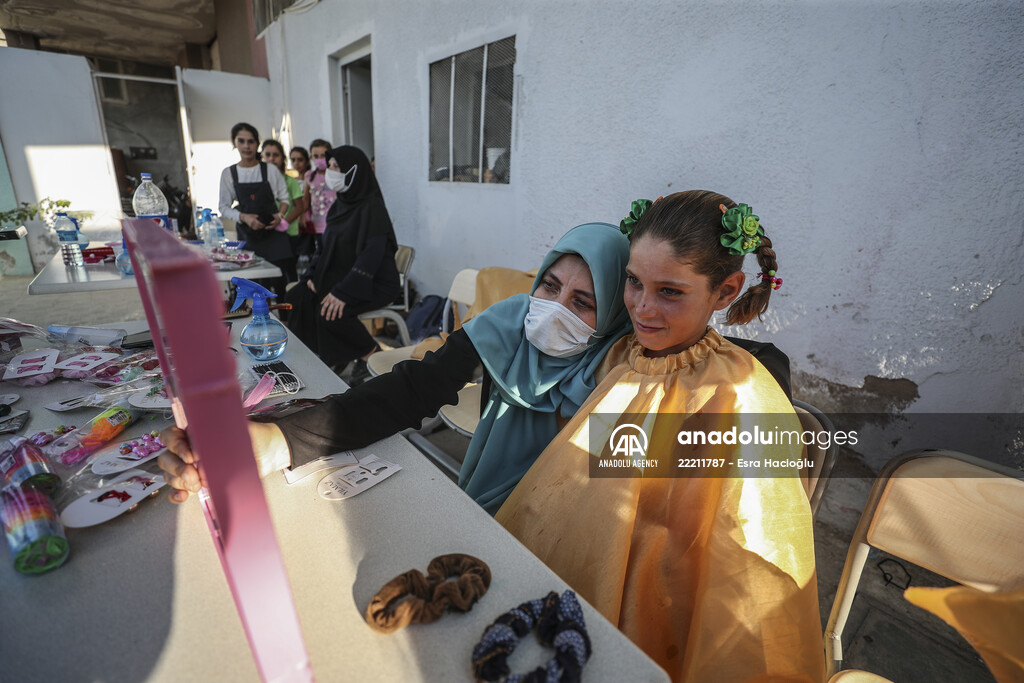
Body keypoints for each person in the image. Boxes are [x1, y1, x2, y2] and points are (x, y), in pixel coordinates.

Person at [495, 191, 823, 682]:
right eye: (633, 282)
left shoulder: (743, 396)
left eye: (669, 292)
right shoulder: (619, 355)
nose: (642, 309)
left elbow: (748, 558)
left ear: (727, 291)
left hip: (660, 617)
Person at [158, 222, 633, 515]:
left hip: (566, 532)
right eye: (549, 285)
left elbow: (610, 496)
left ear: (614, 313)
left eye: (583, 302)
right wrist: (274, 442)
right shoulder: (513, 320)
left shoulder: (623, 373)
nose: (553, 308)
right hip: (487, 507)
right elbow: (415, 389)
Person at [283, 145, 401, 375]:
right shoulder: (340, 206)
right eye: (331, 166)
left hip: (374, 282)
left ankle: (371, 356)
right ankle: (325, 357)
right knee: (296, 297)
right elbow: (324, 248)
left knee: (329, 311)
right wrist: (311, 276)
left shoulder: (372, 208)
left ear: (354, 171)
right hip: (345, 276)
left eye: (337, 167)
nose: (331, 171)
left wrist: (343, 292)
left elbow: (371, 257)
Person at [218, 122, 293, 294]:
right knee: (255, 286)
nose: (246, 146)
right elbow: (223, 206)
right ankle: (259, 320)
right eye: (241, 141)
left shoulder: (270, 170)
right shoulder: (229, 173)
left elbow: (284, 199)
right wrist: (244, 217)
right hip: (248, 235)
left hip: (274, 234)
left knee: (281, 284)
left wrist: (279, 217)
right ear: (234, 143)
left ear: (257, 143)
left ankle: (285, 321)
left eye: (251, 141)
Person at [260, 139, 305, 283]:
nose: (271, 159)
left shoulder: (290, 181)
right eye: (268, 155)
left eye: (276, 155)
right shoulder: (259, 181)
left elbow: (300, 207)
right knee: (267, 273)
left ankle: (290, 302)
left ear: (282, 159)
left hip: (288, 232)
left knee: (288, 271)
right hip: (266, 231)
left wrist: (284, 221)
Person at [303, 138, 336, 252]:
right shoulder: (309, 176)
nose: (319, 159)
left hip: (334, 222)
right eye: (316, 156)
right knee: (321, 252)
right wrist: (305, 217)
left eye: (323, 155)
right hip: (317, 224)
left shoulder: (335, 175)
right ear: (311, 157)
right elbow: (306, 199)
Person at [288, 146, 315, 262]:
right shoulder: (292, 180)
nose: (296, 163)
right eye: (293, 160)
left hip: (307, 220)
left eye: (300, 160)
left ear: (307, 161)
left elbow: (306, 200)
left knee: (306, 254)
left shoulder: (310, 177)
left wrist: (301, 215)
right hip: (294, 220)